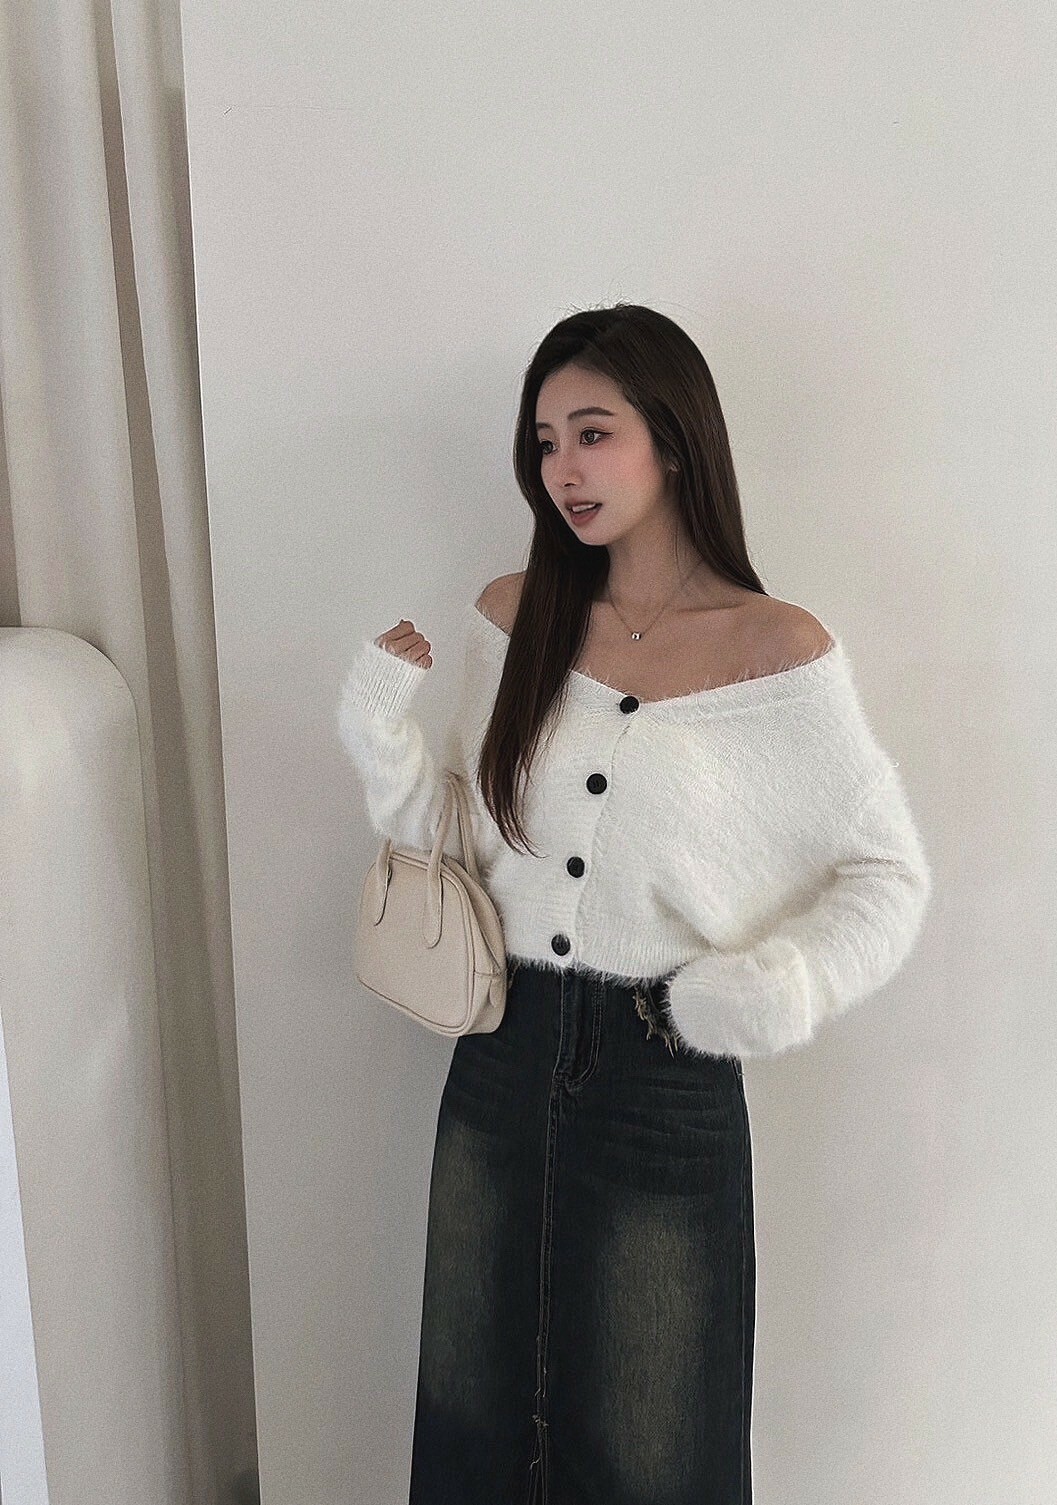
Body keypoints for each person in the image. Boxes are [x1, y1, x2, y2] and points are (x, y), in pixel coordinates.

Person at [337, 302, 933, 1504]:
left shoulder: (775, 650)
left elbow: (886, 873)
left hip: (666, 1069)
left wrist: (779, 984)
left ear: (671, 436)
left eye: (592, 432)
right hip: (500, 1050)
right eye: (544, 440)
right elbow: (463, 837)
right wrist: (377, 736)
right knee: (469, 1408)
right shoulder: (515, 614)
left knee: (655, 1441)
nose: (562, 467)